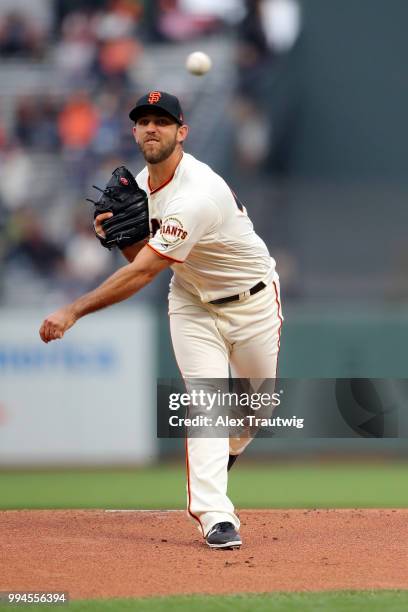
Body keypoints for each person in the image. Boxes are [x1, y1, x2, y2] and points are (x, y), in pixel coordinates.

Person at [39, 91, 283, 549]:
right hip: (192, 302)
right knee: (207, 403)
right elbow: (148, 261)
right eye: (143, 121)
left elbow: (144, 271)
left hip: (253, 303)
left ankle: (226, 451)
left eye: (163, 121)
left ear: (182, 132)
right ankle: (216, 516)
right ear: (133, 132)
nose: (152, 128)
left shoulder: (198, 193)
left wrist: (73, 309)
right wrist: (121, 238)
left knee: (255, 414)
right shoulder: (138, 189)